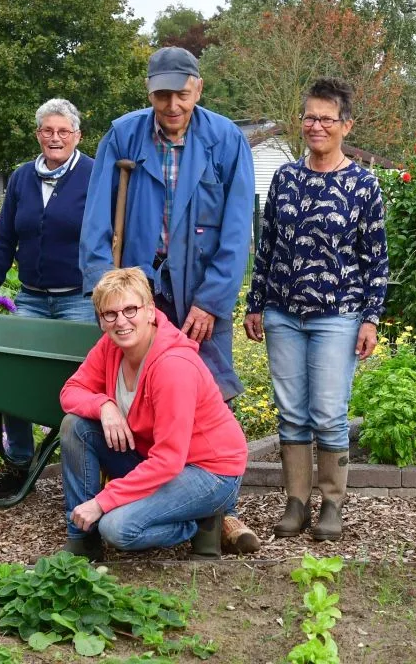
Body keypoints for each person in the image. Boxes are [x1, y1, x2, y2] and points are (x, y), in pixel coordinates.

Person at [79, 46, 260, 553]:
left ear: (197, 88)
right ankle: (148, 496)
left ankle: (219, 512)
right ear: (149, 92)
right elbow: (96, 220)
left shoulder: (226, 139)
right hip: (139, 289)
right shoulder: (124, 134)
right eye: (162, 95)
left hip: (200, 290)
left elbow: (237, 228)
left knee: (213, 389)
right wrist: (105, 292)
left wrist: (213, 300)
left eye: (182, 94)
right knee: (136, 391)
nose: (172, 105)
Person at [244, 77, 388, 542]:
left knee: (328, 413)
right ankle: (296, 502)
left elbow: (376, 259)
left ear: (346, 125)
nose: (316, 126)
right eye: (310, 117)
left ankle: (332, 504)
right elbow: (266, 245)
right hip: (283, 313)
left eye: (327, 118)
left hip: (338, 316)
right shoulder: (285, 178)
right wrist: (255, 302)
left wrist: (371, 318)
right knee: (291, 413)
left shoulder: (363, 184)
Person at [58, 267, 247, 561]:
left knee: (116, 528)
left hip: (209, 471)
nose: (121, 321)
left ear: (149, 310)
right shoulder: (111, 345)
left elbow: (169, 458)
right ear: (101, 320)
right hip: (153, 458)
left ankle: (198, 523)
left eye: (130, 310)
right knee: (75, 426)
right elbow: (71, 391)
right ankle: (83, 541)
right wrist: (104, 406)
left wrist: (102, 502)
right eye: (110, 314)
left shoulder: (173, 366)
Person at [0, 99, 96, 497]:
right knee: (12, 379)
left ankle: (82, 473)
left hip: (79, 300)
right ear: (38, 134)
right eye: (47, 131)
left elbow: (110, 236)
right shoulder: (23, 177)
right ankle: (20, 464)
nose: (55, 138)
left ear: (77, 136)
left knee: (83, 384)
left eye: (63, 131)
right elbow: (3, 241)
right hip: (32, 299)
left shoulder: (94, 175)